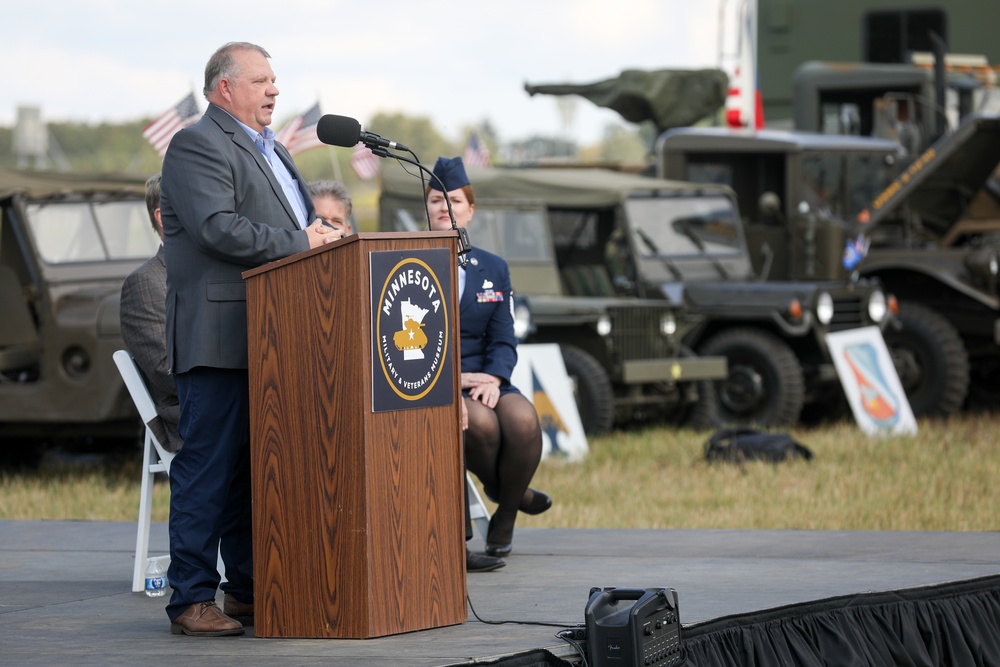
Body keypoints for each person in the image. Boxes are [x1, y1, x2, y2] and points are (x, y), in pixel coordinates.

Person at [159, 41, 336, 637]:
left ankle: (245, 590)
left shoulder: (273, 148)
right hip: (219, 337)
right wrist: (301, 242)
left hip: (273, 336)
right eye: (261, 80)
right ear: (223, 88)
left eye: (275, 79)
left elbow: (291, 225)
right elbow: (216, 227)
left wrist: (319, 233)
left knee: (249, 473)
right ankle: (188, 598)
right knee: (209, 470)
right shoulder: (196, 143)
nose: (274, 90)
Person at [425, 157, 551, 559]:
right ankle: (510, 490)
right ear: (425, 210)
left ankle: (507, 511)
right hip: (435, 380)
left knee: (524, 420)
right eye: (435, 201)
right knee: (480, 424)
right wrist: (454, 378)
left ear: (471, 209)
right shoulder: (403, 261)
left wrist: (494, 379)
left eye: (455, 201)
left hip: (487, 377)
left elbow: (503, 336)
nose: (445, 207)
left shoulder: (494, 269)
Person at [120, 173, 182, 453]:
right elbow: (167, 369)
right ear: (163, 216)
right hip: (194, 417)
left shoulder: (219, 271)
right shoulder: (145, 283)